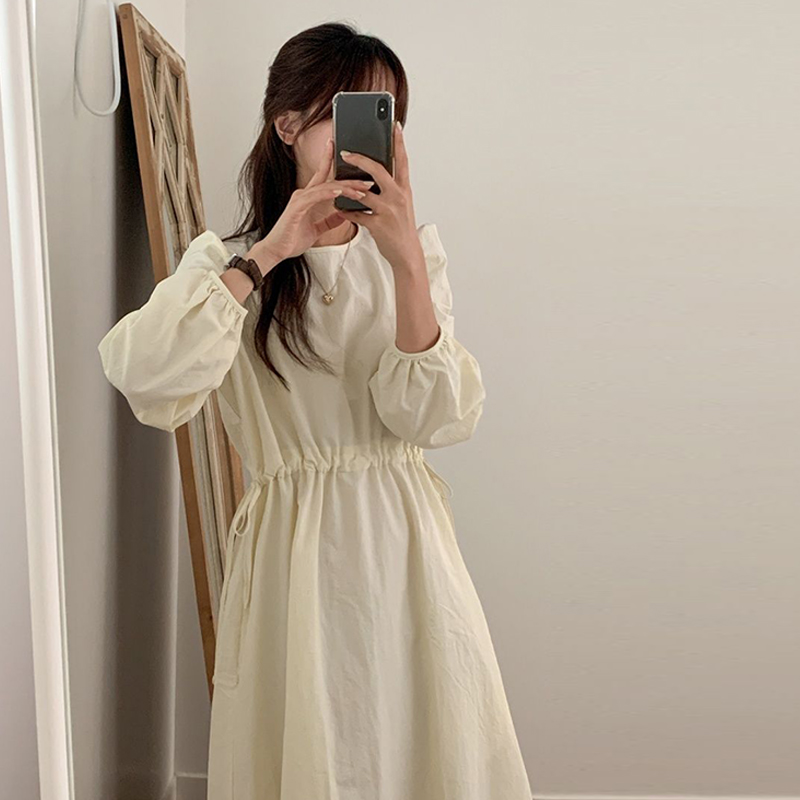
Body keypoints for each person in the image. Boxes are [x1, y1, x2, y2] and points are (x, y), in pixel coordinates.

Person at [98, 21, 533, 800]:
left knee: (421, 738)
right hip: (293, 555)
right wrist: (270, 251)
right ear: (288, 125)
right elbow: (146, 376)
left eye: (386, 116)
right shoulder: (226, 263)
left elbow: (437, 418)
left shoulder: (411, 260)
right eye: (348, 111)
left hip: (403, 545)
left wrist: (405, 262)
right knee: (310, 745)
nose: (372, 135)